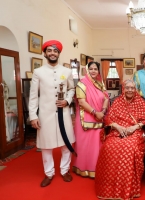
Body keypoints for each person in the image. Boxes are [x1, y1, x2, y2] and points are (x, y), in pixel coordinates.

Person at [29, 40, 75, 187]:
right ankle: (49, 173)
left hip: (64, 113)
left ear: (59, 53)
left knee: (66, 144)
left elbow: (71, 89)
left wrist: (67, 101)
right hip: (45, 114)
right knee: (46, 145)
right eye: (49, 50)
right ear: (45, 53)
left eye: (55, 51)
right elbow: (33, 96)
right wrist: (33, 115)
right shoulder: (38, 72)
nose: (52, 53)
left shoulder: (67, 72)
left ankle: (64, 170)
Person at [95, 79, 145, 199]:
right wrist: (118, 127)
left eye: (132, 88)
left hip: (135, 131)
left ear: (135, 89)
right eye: (127, 87)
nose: (130, 90)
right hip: (117, 130)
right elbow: (109, 119)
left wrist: (134, 127)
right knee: (108, 147)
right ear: (123, 89)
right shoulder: (117, 101)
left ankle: (127, 188)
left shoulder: (140, 102)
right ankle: (109, 186)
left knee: (129, 148)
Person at [72, 61, 109, 178]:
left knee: (97, 145)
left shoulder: (100, 84)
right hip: (86, 119)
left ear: (98, 71)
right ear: (87, 70)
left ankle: (98, 168)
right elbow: (81, 102)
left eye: (95, 69)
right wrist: (95, 112)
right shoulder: (81, 84)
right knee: (85, 145)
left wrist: (102, 112)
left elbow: (106, 98)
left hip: (99, 117)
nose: (93, 71)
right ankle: (84, 168)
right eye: (91, 69)